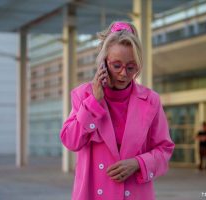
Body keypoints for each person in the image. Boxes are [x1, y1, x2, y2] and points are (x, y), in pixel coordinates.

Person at [60, 21, 175, 200]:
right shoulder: (83, 95)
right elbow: (70, 141)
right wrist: (93, 102)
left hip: (135, 193)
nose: (123, 74)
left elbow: (165, 149)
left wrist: (138, 163)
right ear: (104, 63)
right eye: (116, 66)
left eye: (131, 67)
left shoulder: (151, 100)